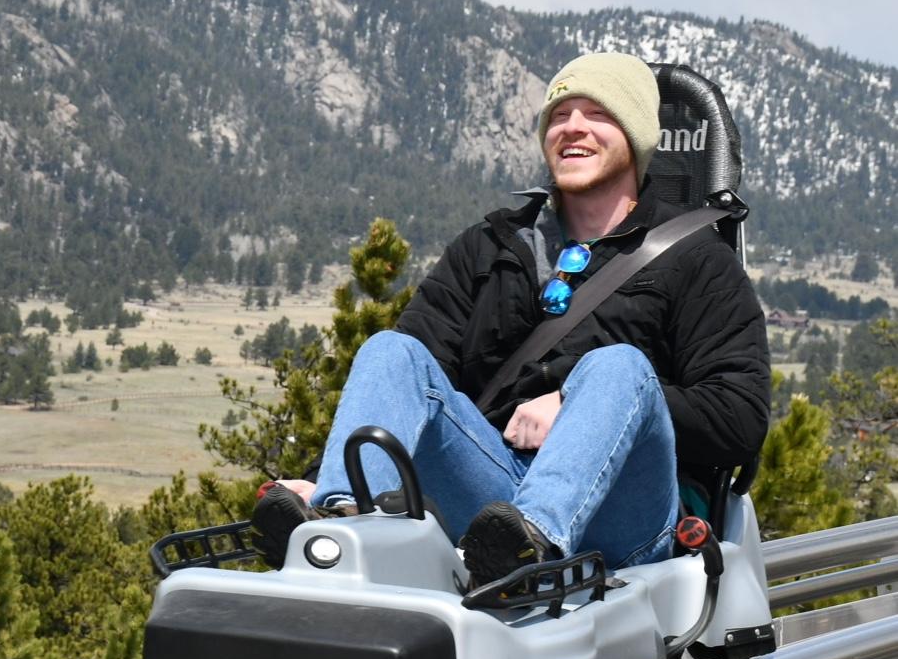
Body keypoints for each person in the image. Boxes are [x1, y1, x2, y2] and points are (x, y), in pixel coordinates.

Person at [252, 52, 771, 589]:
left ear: (636, 136)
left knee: (618, 367)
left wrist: (576, 404)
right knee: (392, 352)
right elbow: (403, 385)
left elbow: (739, 419)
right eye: (560, 114)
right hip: (496, 508)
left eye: (597, 114)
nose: (573, 128)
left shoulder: (695, 259)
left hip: (626, 516)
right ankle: (341, 521)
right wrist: (316, 479)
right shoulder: (493, 246)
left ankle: (533, 544)